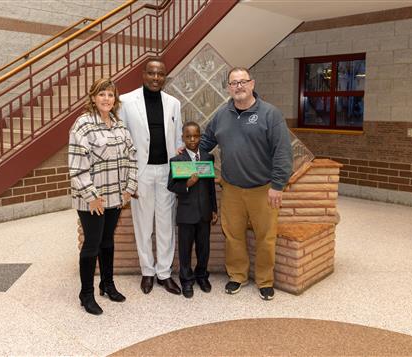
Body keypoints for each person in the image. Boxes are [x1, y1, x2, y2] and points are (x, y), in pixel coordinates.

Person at [199, 67, 293, 301]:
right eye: (234, 83)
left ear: (252, 84)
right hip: (231, 188)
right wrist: (188, 151)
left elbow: (282, 152)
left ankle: (265, 280)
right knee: (233, 236)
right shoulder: (221, 115)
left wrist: (278, 185)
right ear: (228, 88)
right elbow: (206, 141)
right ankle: (237, 276)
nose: (239, 86)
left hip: (264, 189)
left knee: (266, 237)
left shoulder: (270, 114)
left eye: (243, 81)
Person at [69, 78, 138, 315]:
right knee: (92, 244)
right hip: (93, 200)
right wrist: (91, 196)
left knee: (108, 242)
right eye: (102, 94)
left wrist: (130, 187)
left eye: (110, 95)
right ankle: (85, 294)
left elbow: (132, 156)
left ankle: (107, 285)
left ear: (115, 99)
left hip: (115, 197)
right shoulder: (83, 125)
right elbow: (77, 167)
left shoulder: (118, 125)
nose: (106, 99)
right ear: (93, 98)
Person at [118, 57, 182, 295]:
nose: (156, 78)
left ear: (165, 77)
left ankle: (164, 273)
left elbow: (177, 140)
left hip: (166, 171)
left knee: (166, 224)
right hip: (140, 172)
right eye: (152, 73)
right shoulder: (125, 101)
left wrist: (180, 172)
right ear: (143, 74)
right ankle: (147, 271)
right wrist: (128, 179)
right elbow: (123, 141)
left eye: (161, 74)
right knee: (143, 224)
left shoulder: (174, 103)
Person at [167, 121, 218, 298]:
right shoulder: (177, 160)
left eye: (196, 136)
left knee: (204, 248)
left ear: (200, 137)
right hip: (186, 214)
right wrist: (186, 185)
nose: (192, 139)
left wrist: (213, 209)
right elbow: (171, 185)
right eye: (188, 136)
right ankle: (187, 280)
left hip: (204, 213)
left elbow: (211, 186)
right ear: (183, 138)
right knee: (185, 250)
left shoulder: (208, 157)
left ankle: (202, 276)